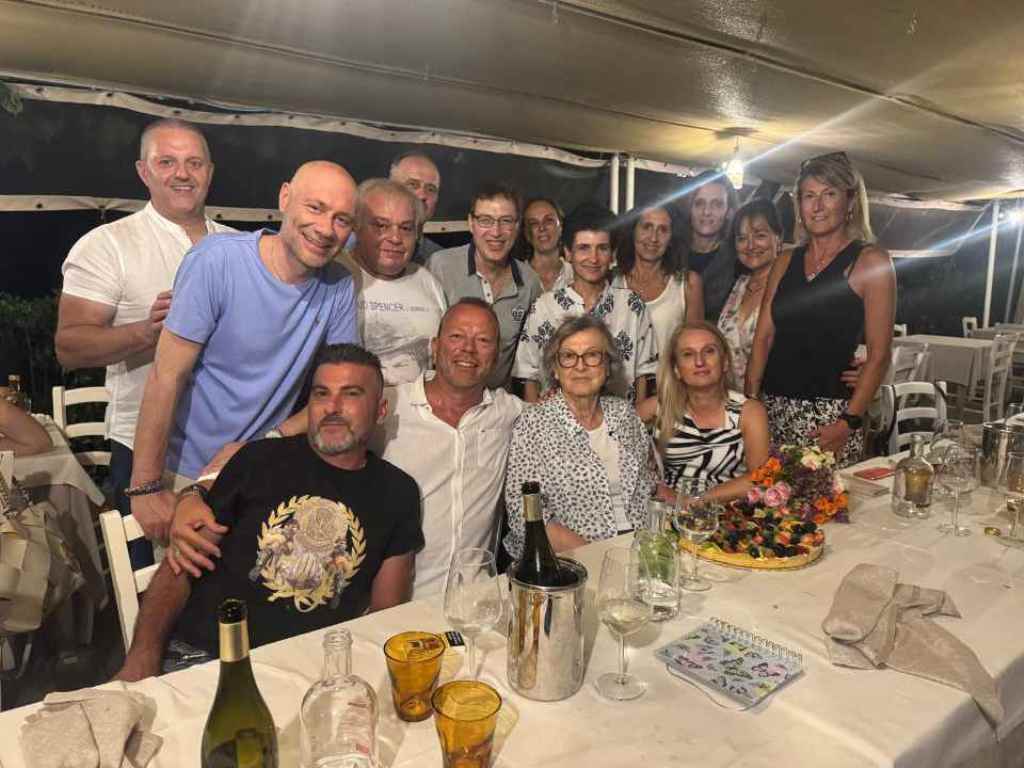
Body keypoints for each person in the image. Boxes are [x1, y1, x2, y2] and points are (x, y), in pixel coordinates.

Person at [167, 299, 523, 598]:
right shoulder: (387, 404)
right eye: (457, 336)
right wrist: (196, 493)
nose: (468, 349)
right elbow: (278, 442)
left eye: (483, 340)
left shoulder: (512, 414)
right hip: (390, 600)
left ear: (496, 354)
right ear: (434, 345)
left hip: (475, 597)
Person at [113, 345, 422, 681]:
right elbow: (181, 566)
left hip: (312, 674)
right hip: (204, 659)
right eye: (321, 394)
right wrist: (141, 659)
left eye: (351, 394)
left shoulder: (397, 492)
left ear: (380, 410)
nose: (332, 407)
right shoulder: (259, 459)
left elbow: (384, 615)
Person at [127, 161, 359, 545]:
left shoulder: (338, 285)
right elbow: (165, 376)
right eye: (315, 208)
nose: (325, 229)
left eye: (342, 219)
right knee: (177, 583)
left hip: (265, 472)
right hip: (187, 471)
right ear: (285, 198)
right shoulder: (217, 261)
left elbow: (339, 392)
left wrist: (269, 439)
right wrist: (146, 486)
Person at [55, 119, 232, 555]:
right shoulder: (108, 244)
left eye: (194, 163)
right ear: (143, 171)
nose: (182, 173)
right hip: (145, 450)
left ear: (210, 172)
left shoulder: (238, 247)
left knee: (226, 570)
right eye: (166, 162)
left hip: (228, 444)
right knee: (152, 577)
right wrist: (147, 332)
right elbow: (69, 347)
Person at [746, 151, 895, 467]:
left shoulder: (871, 262)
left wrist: (848, 422)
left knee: (826, 498)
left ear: (850, 201)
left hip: (830, 419)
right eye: (809, 196)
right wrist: (750, 402)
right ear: (799, 205)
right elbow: (763, 337)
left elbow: (880, 354)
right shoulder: (785, 260)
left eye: (829, 194)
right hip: (771, 410)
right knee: (767, 496)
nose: (817, 206)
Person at [504, 316, 653, 557]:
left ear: (607, 366)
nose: (580, 366)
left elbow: (650, 487)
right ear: (555, 368)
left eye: (592, 355)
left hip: (641, 552)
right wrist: (600, 558)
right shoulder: (533, 424)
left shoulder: (624, 414)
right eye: (568, 356)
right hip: (572, 562)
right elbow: (525, 514)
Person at [514, 202, 658, 403]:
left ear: (613, 254)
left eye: (602, 248)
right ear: (568, 253)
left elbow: (646, 373)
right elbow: (528, 374)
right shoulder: (543, 307)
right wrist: (535, 417)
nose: (593, 258)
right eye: (584, 248)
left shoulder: (632, 306)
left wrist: (637, 419)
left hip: (621, 419)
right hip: (555, 421)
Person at [428, 183, 543, 389]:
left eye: (506, 221)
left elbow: (529, 358)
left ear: (517, 226)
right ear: (471, 223)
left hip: (498, 403)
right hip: (444, 398)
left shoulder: (530, 282)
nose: (496, 232)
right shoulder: (440, 267)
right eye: (485, 221)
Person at [341, 178, 447, 385]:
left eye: (406, 228)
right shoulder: (335, 274)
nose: (395, 238)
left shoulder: (429, 282)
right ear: (356, 226)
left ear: (418, 234)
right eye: (381, 226)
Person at [651, 322, 769, 502]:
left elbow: (760, 479)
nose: (700, 362)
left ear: (725, 362)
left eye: (709, 351)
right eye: (688, 354)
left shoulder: (749, 412)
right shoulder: (659, 408)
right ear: (676, 369)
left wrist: (695, 501)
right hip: (668, 511)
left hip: (728, 512)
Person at [612, 204, 704, 357]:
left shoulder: (688, 283)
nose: (653, 238)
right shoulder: (612, 280)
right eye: (646, 227)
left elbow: (694, 348)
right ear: (633, 231)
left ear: (671, 238)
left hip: (668, 373)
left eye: (663, 230)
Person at [717, 199, 782, 385]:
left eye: (760, 236)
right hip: (729, 396)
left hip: (770, 396)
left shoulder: (789, 286)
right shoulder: (738, 283)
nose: (750, 246)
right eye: (742, 238)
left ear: (778, 238)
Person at [678, 170, 739, 322]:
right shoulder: (670, 251)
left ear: (729, 211)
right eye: (699, 203)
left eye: (717, 204)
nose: (706, 212)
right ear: (689, 208)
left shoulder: (737, 260)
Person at [388, 151, 443, 264]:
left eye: (430, 189)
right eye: (412, 185)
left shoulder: (439, 262)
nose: (422, 195)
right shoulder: (359, 247)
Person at [521, 197, 572, 292]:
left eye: (549, 220)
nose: (542, 228)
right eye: (534, 223)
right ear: (526, 234)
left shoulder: (577, 276)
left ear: (561, 226)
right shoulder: (515, 278)